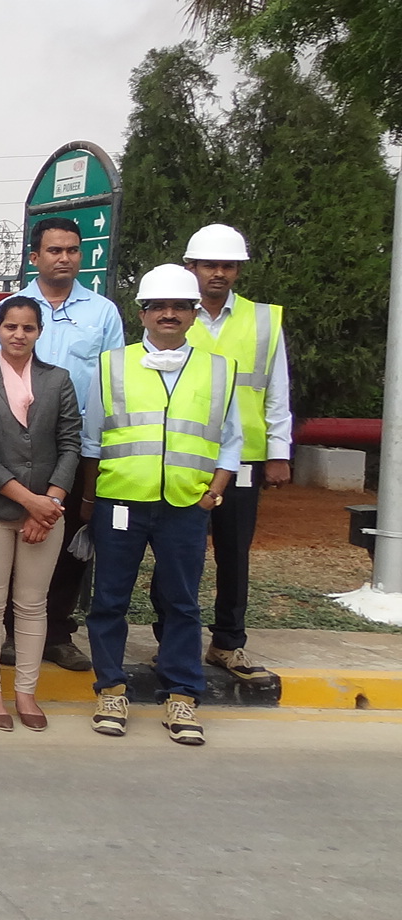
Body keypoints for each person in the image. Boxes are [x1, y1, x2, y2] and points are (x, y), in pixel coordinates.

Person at [82, 264, 242, 746]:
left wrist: (215, 492)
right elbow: (92, 441)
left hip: (185, 504)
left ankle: (182, 695)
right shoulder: (112, 365)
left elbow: (230, 442)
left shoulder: (219, 370)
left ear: (194, 314)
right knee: (108, 599)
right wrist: (90, 501)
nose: (168, 315)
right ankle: (110, 688)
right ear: (142, 313)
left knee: (181, 602)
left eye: (179, 307)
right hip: (121, 501)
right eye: (158, 307)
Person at [0, 216, 123, 673]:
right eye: (54, 250)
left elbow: (110, 382)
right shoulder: (11, 309)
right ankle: (3, 630)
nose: (64, 258)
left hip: (74, 448)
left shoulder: (102, 313)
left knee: (68, 540)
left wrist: (77, 471)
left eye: (72, 250)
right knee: (4, 536)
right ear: (35, 256)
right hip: (4, 449)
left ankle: (57, 631)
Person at [0, 296, 81, 732]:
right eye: (11, 327)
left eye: (28, 328)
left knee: (32, 604)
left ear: (39, 332)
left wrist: (48, 502)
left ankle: (27, 692)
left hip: (48, 511)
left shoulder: (59, 380)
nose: (19, 335)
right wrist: (27, 500)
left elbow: (71, 442)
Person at [183, 223, 289, 687]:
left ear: (239, 271)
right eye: (210, 265)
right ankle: (174, 639)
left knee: (233, 553)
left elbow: (277, 392)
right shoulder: (174, 314)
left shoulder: (263, 320)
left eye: (228, 266)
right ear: (193, 268)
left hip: (244, 458)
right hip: (184, 456)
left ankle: (227, 641)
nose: (219, 273)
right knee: (180, 552)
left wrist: (280, 452)